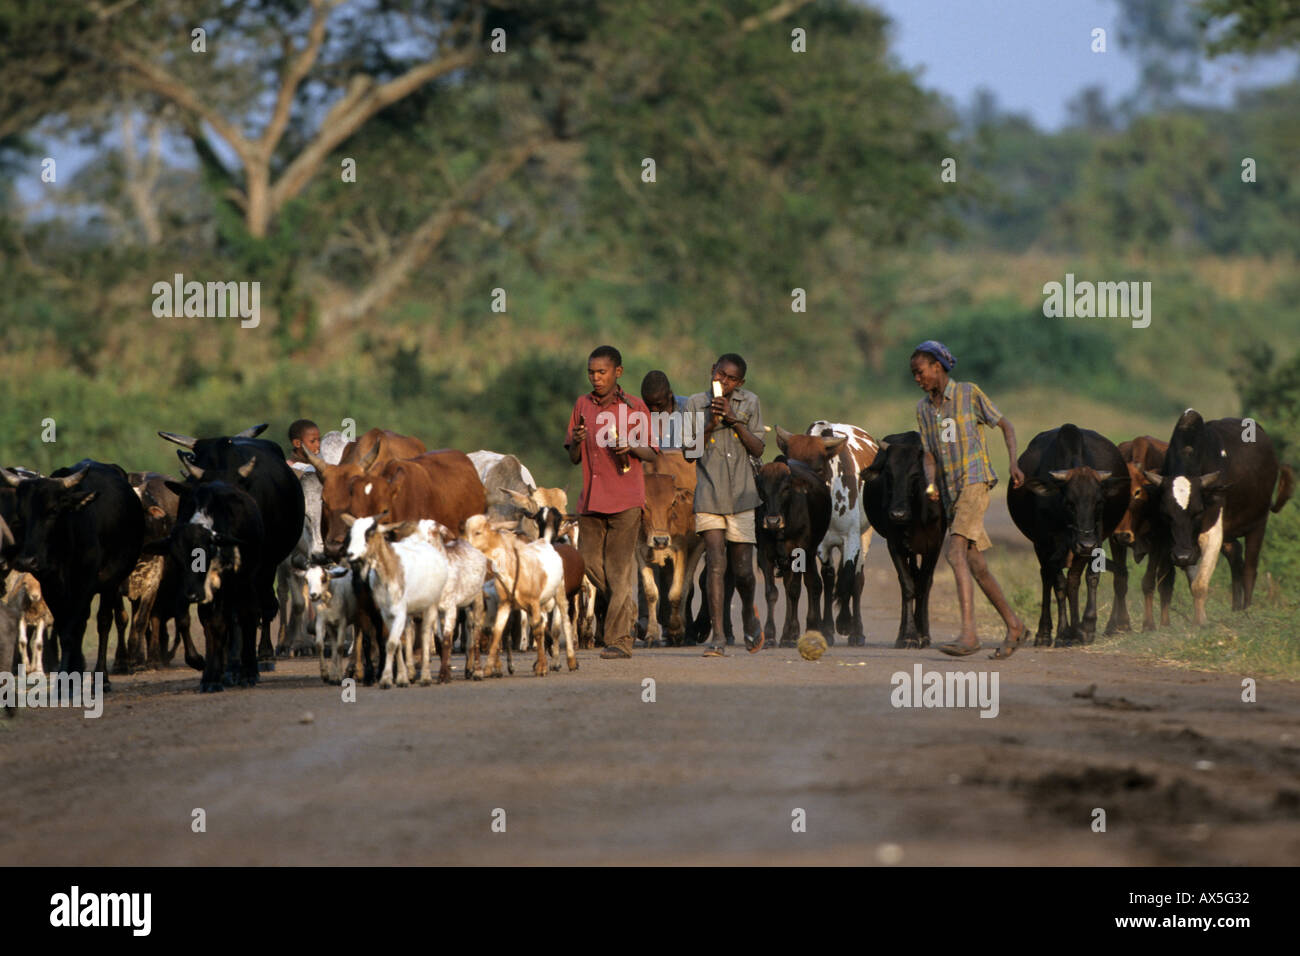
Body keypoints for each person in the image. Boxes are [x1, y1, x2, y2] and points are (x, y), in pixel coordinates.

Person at [910, 340, 1027, 659]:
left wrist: (1013, 462)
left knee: (955, 552)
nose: (917, 379)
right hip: (950, 492)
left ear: (938, 367)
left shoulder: (968, 393)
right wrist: (930, 482)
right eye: (914, 375)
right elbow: (930, 455)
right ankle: (1014, 624)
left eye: (920, 372)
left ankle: (969, 634)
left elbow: (1005, 425)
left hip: (975, 481)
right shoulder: (923, 409)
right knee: (976, 563)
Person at [565, 346, 658, 659]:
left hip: (625, 499)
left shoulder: (635, 407)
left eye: (602, 372)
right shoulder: (582, 405)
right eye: (591, 372)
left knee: (619, 569)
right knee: (588, 562)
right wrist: (577, 442)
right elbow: (574, 457)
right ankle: (628, 610)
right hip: (591, 499)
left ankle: (619, 639)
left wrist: (630, 446)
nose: (596, 378)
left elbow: (652, 451)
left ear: (617, 372)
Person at [681, 353, 765, 656]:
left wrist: (734, 420)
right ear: (711, 372)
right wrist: (711, 423)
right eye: (719, 374)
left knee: (743, 570)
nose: (722, 381)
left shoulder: (750, 403)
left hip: (743, 495)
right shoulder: (694, 404)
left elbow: (758, 448)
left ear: (740, 383)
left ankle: (747, 613)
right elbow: (689, 453)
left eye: (730, 378)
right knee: (715, 563)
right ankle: (718, 635)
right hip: (709, 495)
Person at [640, 370, 689, 452]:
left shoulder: (688, 408)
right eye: (648, 404)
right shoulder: (639, 414)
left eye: (658, 404)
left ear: (670, 394)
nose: (653, 409)